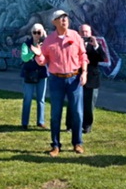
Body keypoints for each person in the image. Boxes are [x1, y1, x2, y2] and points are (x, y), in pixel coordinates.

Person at [31, 10, 88, 157]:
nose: (64, 20)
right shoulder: (49, 40)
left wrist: (84, 73)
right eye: (60, 18)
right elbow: (43, 60)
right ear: (54, 22)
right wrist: (38, 55)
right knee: (55, 114)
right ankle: (55, 145)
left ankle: (78, 143)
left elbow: (83, 55)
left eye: (66, 17)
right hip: (56, 80)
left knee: (77, 112)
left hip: (74, 78)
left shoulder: (75, 35)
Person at [20, 23, 48, 130]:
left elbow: (49, 56)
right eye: (34, 32)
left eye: (39, 32)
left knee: (41, 99)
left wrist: (45, 37)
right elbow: (24, 58)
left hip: (42, 74)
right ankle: (24, 122)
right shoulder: (26, 44)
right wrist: (33, 52)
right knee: (28, 98)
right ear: (31, 33)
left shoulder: (45, 43)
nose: (36, 34)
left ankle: (40, 121)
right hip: (29, 74)